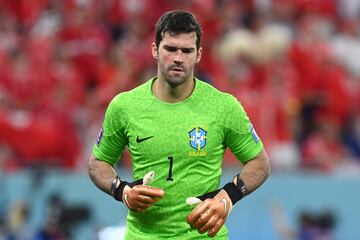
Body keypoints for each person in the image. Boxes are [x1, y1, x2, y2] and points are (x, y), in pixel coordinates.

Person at [88, 10, 270, 239]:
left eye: (187, 51)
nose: (178, 58)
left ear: (199, 55)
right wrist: (122, 191)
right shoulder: (125, 106)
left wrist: (228, 197)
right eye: (170, 49)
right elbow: (98, 162)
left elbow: (260, 162)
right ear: (155, 50)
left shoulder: (224, 106)